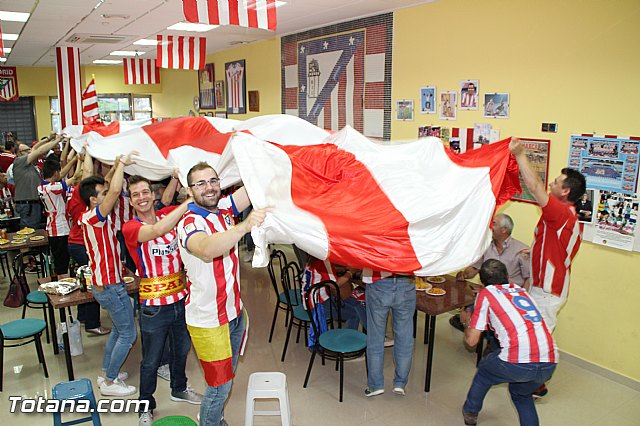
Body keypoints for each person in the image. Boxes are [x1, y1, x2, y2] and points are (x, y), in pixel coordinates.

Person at [177, 162, 266, 426]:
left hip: (235, 313)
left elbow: (253, 186)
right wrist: (243, 227)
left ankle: (213, 415)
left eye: (213, 181)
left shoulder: (225, 209)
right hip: (208, 322)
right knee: (219, 386)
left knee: (227, 376)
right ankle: (210, 420)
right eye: (201, 183)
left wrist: (262, 155)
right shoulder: (190, 222)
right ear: (189, 190)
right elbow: (205, 248)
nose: (209, 188)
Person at [122, 175, 202, 426]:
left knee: (181, 351)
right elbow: (157, 230)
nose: (142, 197)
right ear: (131, 201)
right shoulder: (130, 227)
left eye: (145, 192)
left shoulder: (168, 212)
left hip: (180, 299)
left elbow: (172, 217)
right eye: (136, 195)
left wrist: (180, 178)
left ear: (153, 194)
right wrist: (187, 200)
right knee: (152, 360)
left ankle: (179, 388)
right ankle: (145, 404)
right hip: (153, 306)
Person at [509, 137, 585, 397]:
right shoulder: (564, 215)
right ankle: (535, 379)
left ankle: (538, 382)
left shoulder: (561, 213)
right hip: (543, 284)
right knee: (536, 331)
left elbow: (533, 185)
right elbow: (557, 242)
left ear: (565, 192)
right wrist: (536, 250)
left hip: (549, 289)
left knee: (539, 335)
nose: (550, 184)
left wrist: (520, 155)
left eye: (556, 182)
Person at [460, 259, 557, 426]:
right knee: (521, 395)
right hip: (550, 360)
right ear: (507, 276)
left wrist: (466, 321)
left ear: (482, 282)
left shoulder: (486, 295)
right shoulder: (521, 291)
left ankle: (471, 412)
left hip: (518, 361)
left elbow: (471, 341)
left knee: (484, 372)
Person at [79, 150, 138, 396]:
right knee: (128, 333)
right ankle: (110, 382)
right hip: (109, 286)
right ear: (94, 200)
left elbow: (108, 187)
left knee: (118, 328)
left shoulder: (94, 217)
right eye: (101, 195)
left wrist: (114, 167)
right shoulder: (94, 217)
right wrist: (123, 162)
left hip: (109, 283)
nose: (107, 197)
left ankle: (107, 370)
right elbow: (113, 192)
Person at [451, 213, 530, 331]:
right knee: (463, 313)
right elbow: (474, 268)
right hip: (487, 294)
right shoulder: (486, 246)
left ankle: (489, 337)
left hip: (508, 297)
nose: (489, 226)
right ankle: (483, 333)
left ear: (504, 230)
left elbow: (528, 278)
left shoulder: (521, 250)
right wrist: (464, 274)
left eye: (494, 223)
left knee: (480, 316)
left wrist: (522, 301)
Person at [364, 269, 414, 397]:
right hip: (406, 280)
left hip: (378, 280)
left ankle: (375, 385)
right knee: (404, 337)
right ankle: (400, 384)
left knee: (375, 337)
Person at [39, 156, 78, 275]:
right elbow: (74, 178)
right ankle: (62, 285)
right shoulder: (52, 188)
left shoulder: (42, 186)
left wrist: (73, 160)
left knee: (60, 261)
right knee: (62, 263)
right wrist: (79, 161)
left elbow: (61, 177)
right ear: (55, 172)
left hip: (52, 228)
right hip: (60, 229)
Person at [13, 134, 61, 229]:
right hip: (28, 205)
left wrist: (48, 138)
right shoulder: (19, 161)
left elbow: (35, 148)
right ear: (19, 153)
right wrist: (56, 142)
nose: (30, 151)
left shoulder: (30, 165)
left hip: (33, 204)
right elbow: (39, 150)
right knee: (30, 232)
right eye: (26, 151)